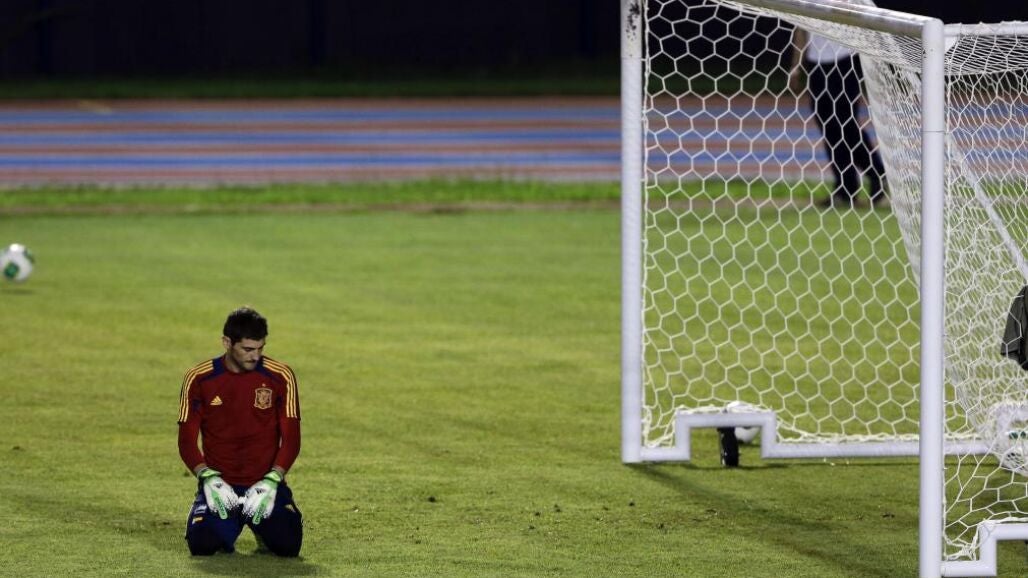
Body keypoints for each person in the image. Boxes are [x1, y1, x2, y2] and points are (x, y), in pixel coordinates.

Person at [177, 306, 303, 556]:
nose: (255, 356)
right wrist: (207, 477)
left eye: (260, 348)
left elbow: (291, 439)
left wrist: (273, 479)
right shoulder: (199, 379)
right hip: (221, 485)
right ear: (227, 343)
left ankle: (264, 525)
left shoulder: (281, 376)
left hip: (265, 485)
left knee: (288, 546)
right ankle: (211, 514)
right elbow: (187, 441)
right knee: (202, 545)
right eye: (247, 349)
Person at [790, 28, 888, 208]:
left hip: (844, 59)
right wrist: (796, 65)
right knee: (829, 127)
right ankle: (846, 188)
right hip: (816, 63)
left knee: (846, 124)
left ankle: (876, 174)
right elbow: (801, 28)